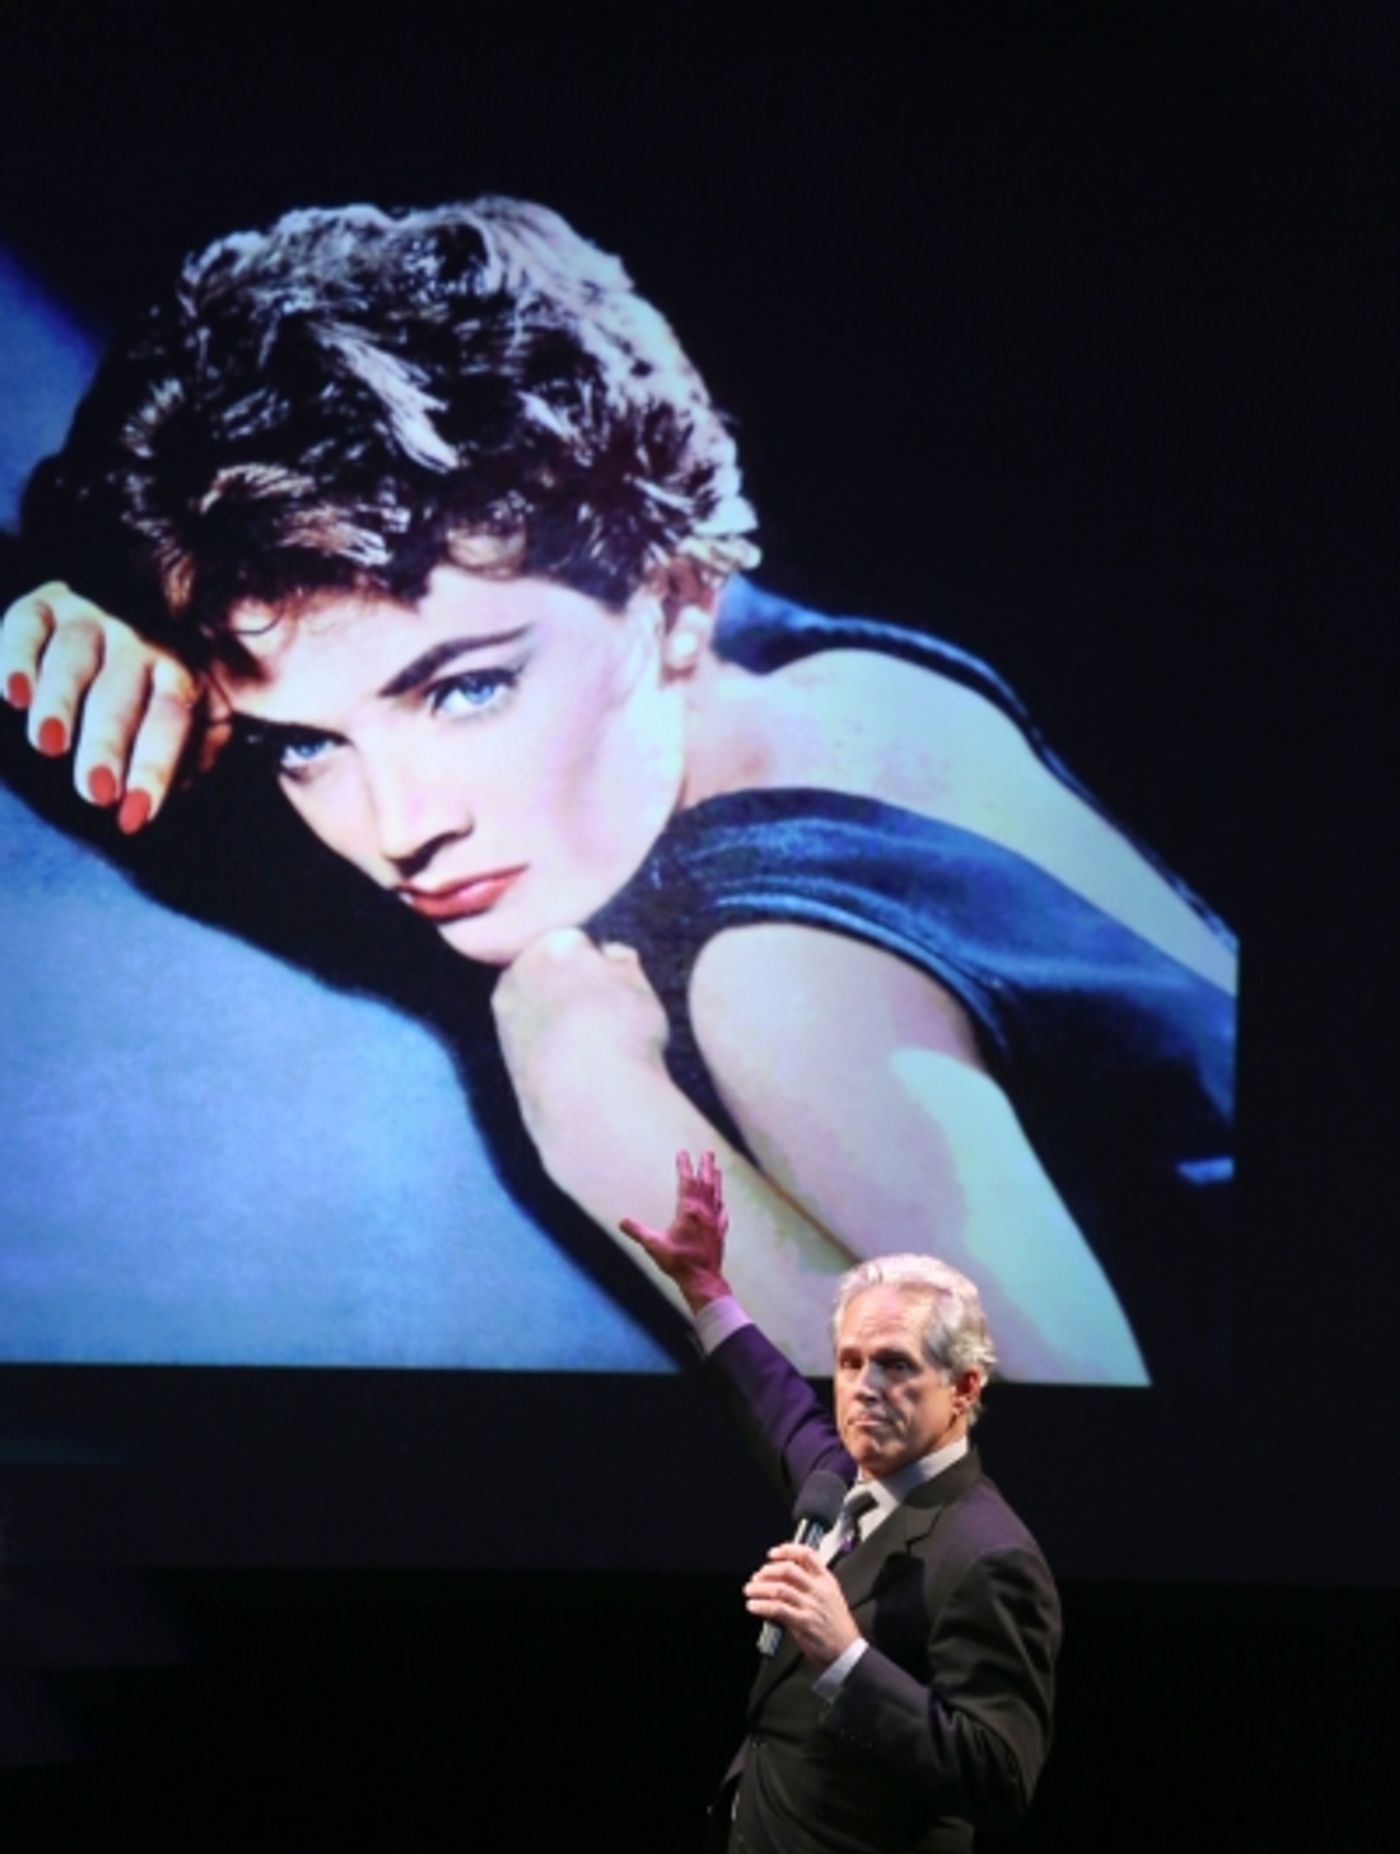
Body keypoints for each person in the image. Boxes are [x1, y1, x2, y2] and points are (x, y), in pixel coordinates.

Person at [0, 196, 1235, 1379]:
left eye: (465, 691)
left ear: (675, 597)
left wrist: (618, 1136)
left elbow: (1041, 1495)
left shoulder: (786, 988)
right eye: (303, 745)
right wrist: (104, 600)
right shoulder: (804, 677)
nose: (403, 828)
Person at [621, 1149, 1061, 1854]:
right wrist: (704, 1288)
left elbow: (999, 1774)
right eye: (851, 1361)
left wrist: (845, 1656)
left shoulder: (986, 1554)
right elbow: (778, 1407)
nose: (862, 1385)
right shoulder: (843, 1491)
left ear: (966, 1391)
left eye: (895, 1366)